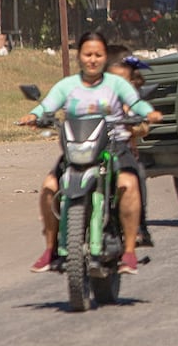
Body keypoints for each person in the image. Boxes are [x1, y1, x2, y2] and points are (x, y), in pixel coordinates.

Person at [18, 31, 161, 275]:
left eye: (98, 55)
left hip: (114, 148)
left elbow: (136, 103)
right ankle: (50, 249)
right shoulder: (67, 86)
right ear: (79, 57)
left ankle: (128, 251)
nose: (92, 59)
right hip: (77, 149)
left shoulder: (116, 84)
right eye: (87, 54)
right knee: (50, 186)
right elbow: (47, 105)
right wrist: (34, 116)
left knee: (128, 183)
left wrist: (148, 113)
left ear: (105, 57)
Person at [106, 47, 157, 248]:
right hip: (91, 150)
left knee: (137, 175)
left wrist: (132, 125)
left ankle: (139, 226)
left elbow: (143, 125)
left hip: (121, 151)